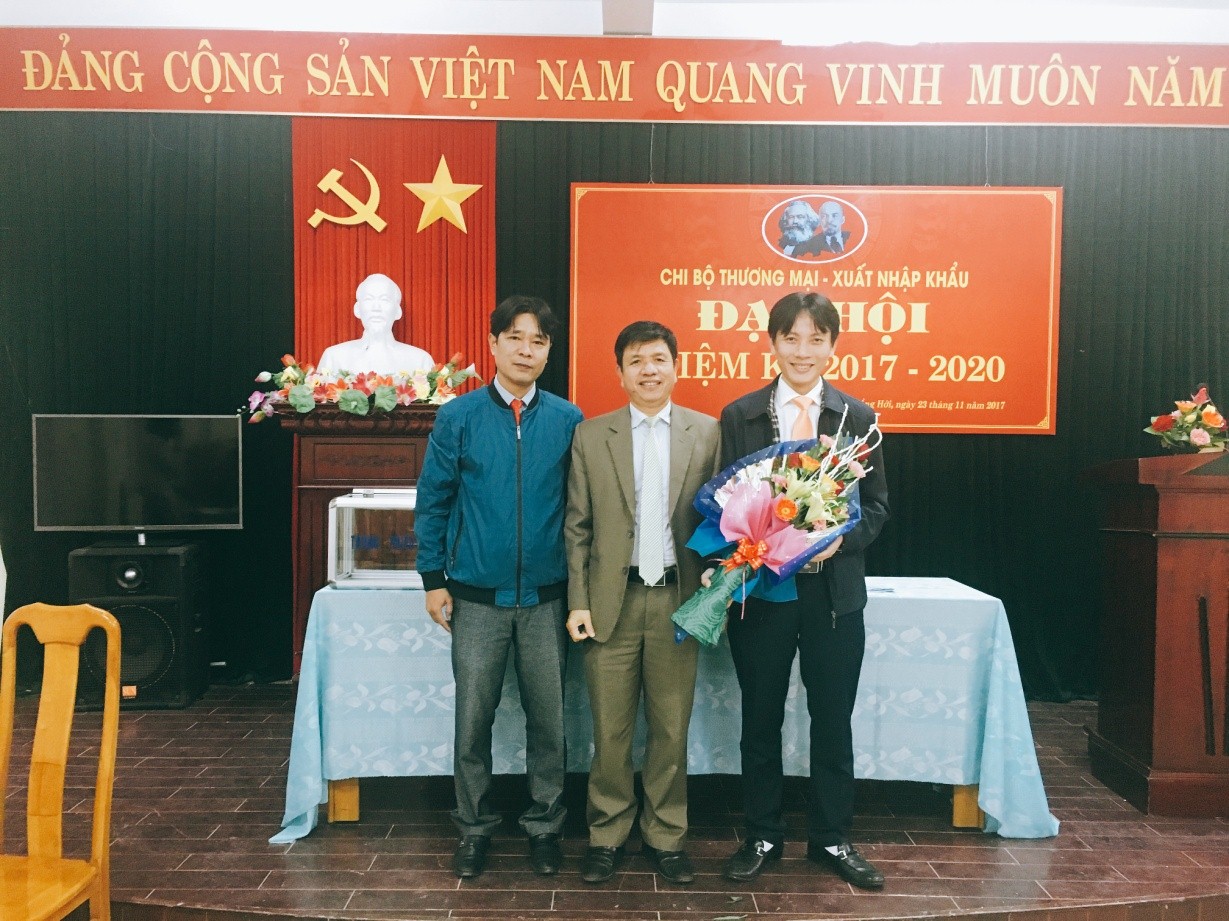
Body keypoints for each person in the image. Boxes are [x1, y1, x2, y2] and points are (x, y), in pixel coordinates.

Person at [717, 291, 889, 890]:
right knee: (760, 719)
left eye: (816, 339)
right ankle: (761, 835)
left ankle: (832, 838)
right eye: (791, 338)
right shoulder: (739, 415)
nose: (802, 351)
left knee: (832, 719)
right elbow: (724, 501)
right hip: (764, 594)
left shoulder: (856, 418)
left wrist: (842, 541)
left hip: (832, 598)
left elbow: (877, 507)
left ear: (833, 346)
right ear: (772, 342)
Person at [414, 295, 583, 880]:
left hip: (546, 599)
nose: (526, 350)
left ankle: (545, 827)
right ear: (492, 344)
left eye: (538, 341)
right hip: (475, 599)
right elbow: (433, 501)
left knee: (550, 723)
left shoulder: (568, 419)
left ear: (549, 352)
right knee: (472, 721)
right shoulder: (457, 417)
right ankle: (474, 827)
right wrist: (433, 580)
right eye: (515, 338)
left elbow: (580, 511)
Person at [564, 321, 720, 886]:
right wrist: (578, 601)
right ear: (620, 372)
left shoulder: (707, 433)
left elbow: (724, 518)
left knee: (670, 729)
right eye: (636, 361)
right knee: (609, 730)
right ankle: (606, 834)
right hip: (613, 601)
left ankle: (666, 836)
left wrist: (717, 582)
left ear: (677, 366)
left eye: (658, 359)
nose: (649, 370)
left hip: (680, 599)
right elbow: (577, 527)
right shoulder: (591, 435)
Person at [316, 273, 435, 375]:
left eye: (384, 299)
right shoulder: (334, 358)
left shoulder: (420, 361)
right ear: (357, 309)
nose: (376, 307)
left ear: (398, 311)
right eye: (369, 299)